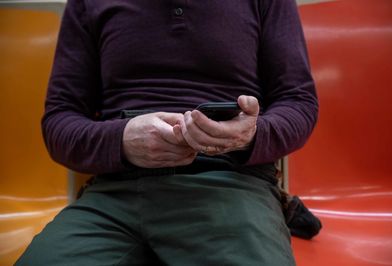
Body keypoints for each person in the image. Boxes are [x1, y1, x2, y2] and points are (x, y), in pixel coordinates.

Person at [16, 0, 318, 265]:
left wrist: (250, 135)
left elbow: (299, 103)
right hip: (113, 195)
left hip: (232, 188)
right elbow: (58, 122)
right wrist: (121, 141)